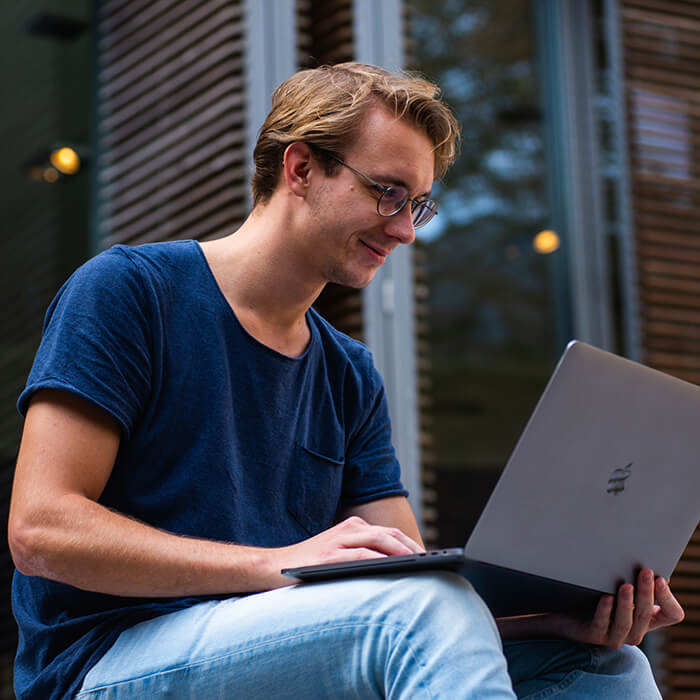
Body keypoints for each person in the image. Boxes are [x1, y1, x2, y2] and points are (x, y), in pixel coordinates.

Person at [8, 62, 683, 700]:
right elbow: (40, 532)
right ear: (300, 167)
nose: (404, 230)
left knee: (605, 667)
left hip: (280, 649)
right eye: (387, 192)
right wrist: (276, 564)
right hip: (107, 662)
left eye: (418, 205)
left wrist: (548, 621)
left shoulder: (348, 372)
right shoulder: (130, 293)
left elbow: (415, 594)